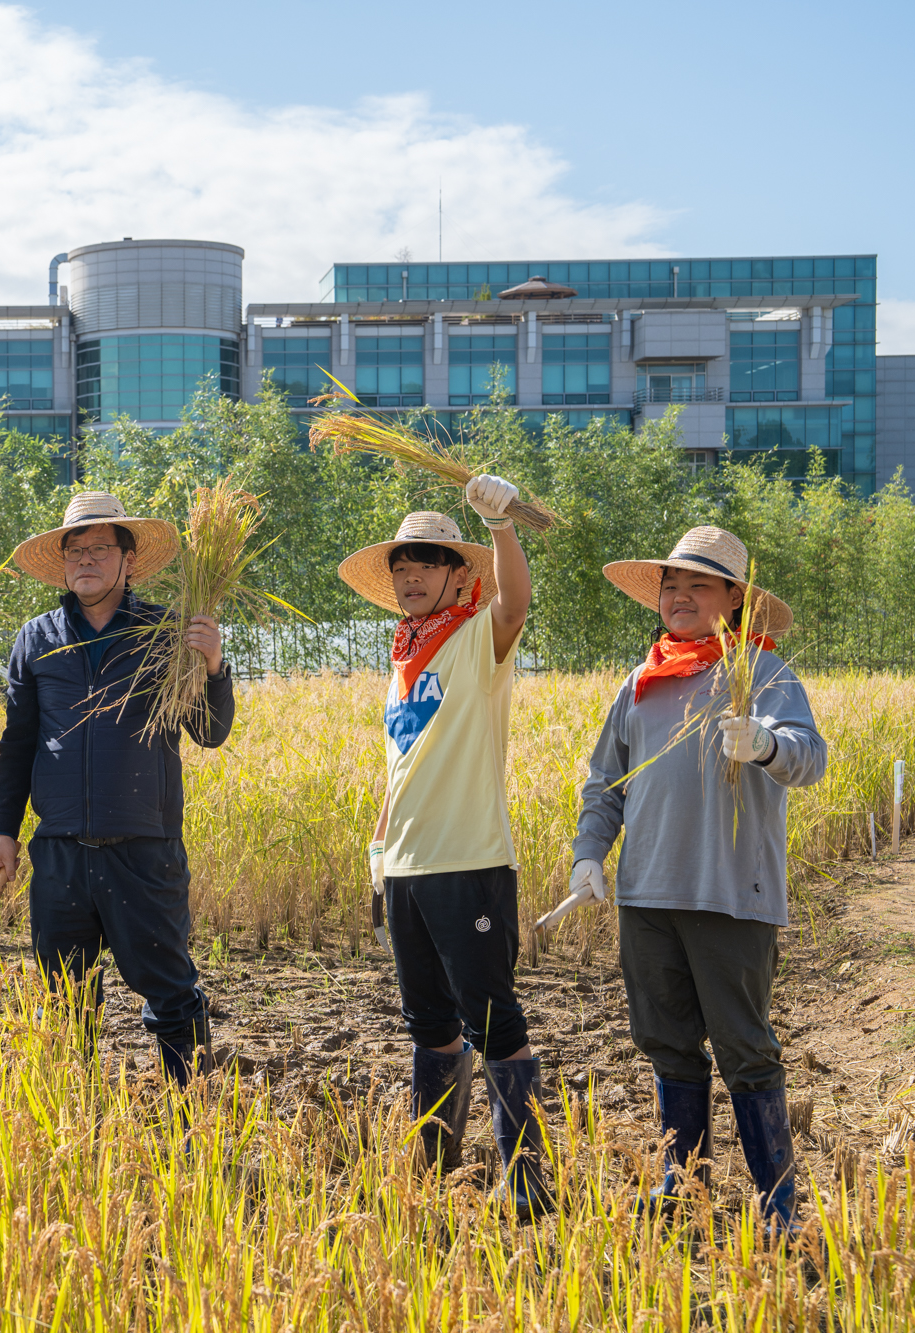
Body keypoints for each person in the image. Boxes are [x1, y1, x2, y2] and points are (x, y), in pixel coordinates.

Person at [564, 526, 825, 1236]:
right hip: (646, 896)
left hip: (730, 895)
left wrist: (767, 744)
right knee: (666, 1041)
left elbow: (810, 756)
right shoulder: (641, 682)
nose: (679, 597)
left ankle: (777, 1206)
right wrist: (590, 853)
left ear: (733, 598)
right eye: (670, 585)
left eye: (698, 585)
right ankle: (684, 1189)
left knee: (744, 1047)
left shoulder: (762, 672)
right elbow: (606, 782)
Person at [338, 482, 553, 1220]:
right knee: (427, 1021)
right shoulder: (403, 657)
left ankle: (527, 1178)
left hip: (468, 862)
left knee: (493, 1022)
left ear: (459, 575)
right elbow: (400, 765)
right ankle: (437, 1165)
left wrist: (500, 526)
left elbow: (516, 604)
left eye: (426, 563)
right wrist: (379, 849)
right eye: (401, 566)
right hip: (405, 866)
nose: (410, 576)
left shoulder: (476, 640)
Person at [0, 492, 232, 1086]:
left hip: (143, 850)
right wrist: (3, 832)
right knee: (64, 1001)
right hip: (60, 853)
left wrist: (213, 667)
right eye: (75, 551)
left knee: (170, 992)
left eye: (100, 548)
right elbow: (17, 745)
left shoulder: (165, 633)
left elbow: (208, 732)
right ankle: (76, 1116)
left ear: (129, 560)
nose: (86, 560)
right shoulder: (36, 639)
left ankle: (187, 1114)